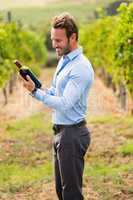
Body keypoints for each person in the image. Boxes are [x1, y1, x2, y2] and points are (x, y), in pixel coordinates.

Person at [21, 12, 94, 200]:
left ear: (73, 37)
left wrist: (35, 93)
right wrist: (38, 87)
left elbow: (65, 104)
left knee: (71, 194)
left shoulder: (80, 67)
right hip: (61, 132)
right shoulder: (64, 60)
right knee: (61, 191)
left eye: (59, 40)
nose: (54, 45)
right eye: (53, 39)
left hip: (72, 135)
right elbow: (56, 91)